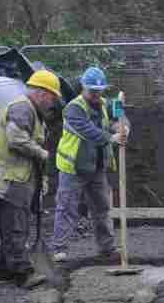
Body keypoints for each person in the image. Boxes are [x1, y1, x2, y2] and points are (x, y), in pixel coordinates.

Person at [0, 70, 63, 288]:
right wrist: (42, 154)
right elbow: (17, 140)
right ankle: (23, 273)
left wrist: (42, 183)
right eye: (51, 97)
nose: (52, 103)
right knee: (16, 227)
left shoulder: (35, 115)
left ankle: (4, 271)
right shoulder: (22, 108)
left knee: (9, 226)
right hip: (3, 178)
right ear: (40, 93)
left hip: (7, 178)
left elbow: (32, 156)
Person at [51, 66, 129, 262]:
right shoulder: (73, 108)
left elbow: (119, 114)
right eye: (92, 91)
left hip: (97, 167)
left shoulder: (106, 103)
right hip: (74, 168)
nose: (96, 94)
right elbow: (88, 131)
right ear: (83, 88)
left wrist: (124, 127)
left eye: (99, 91)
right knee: (67, 207)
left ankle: (107, 248)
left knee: (102, 208)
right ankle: (59, 249)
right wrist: (112, 138)